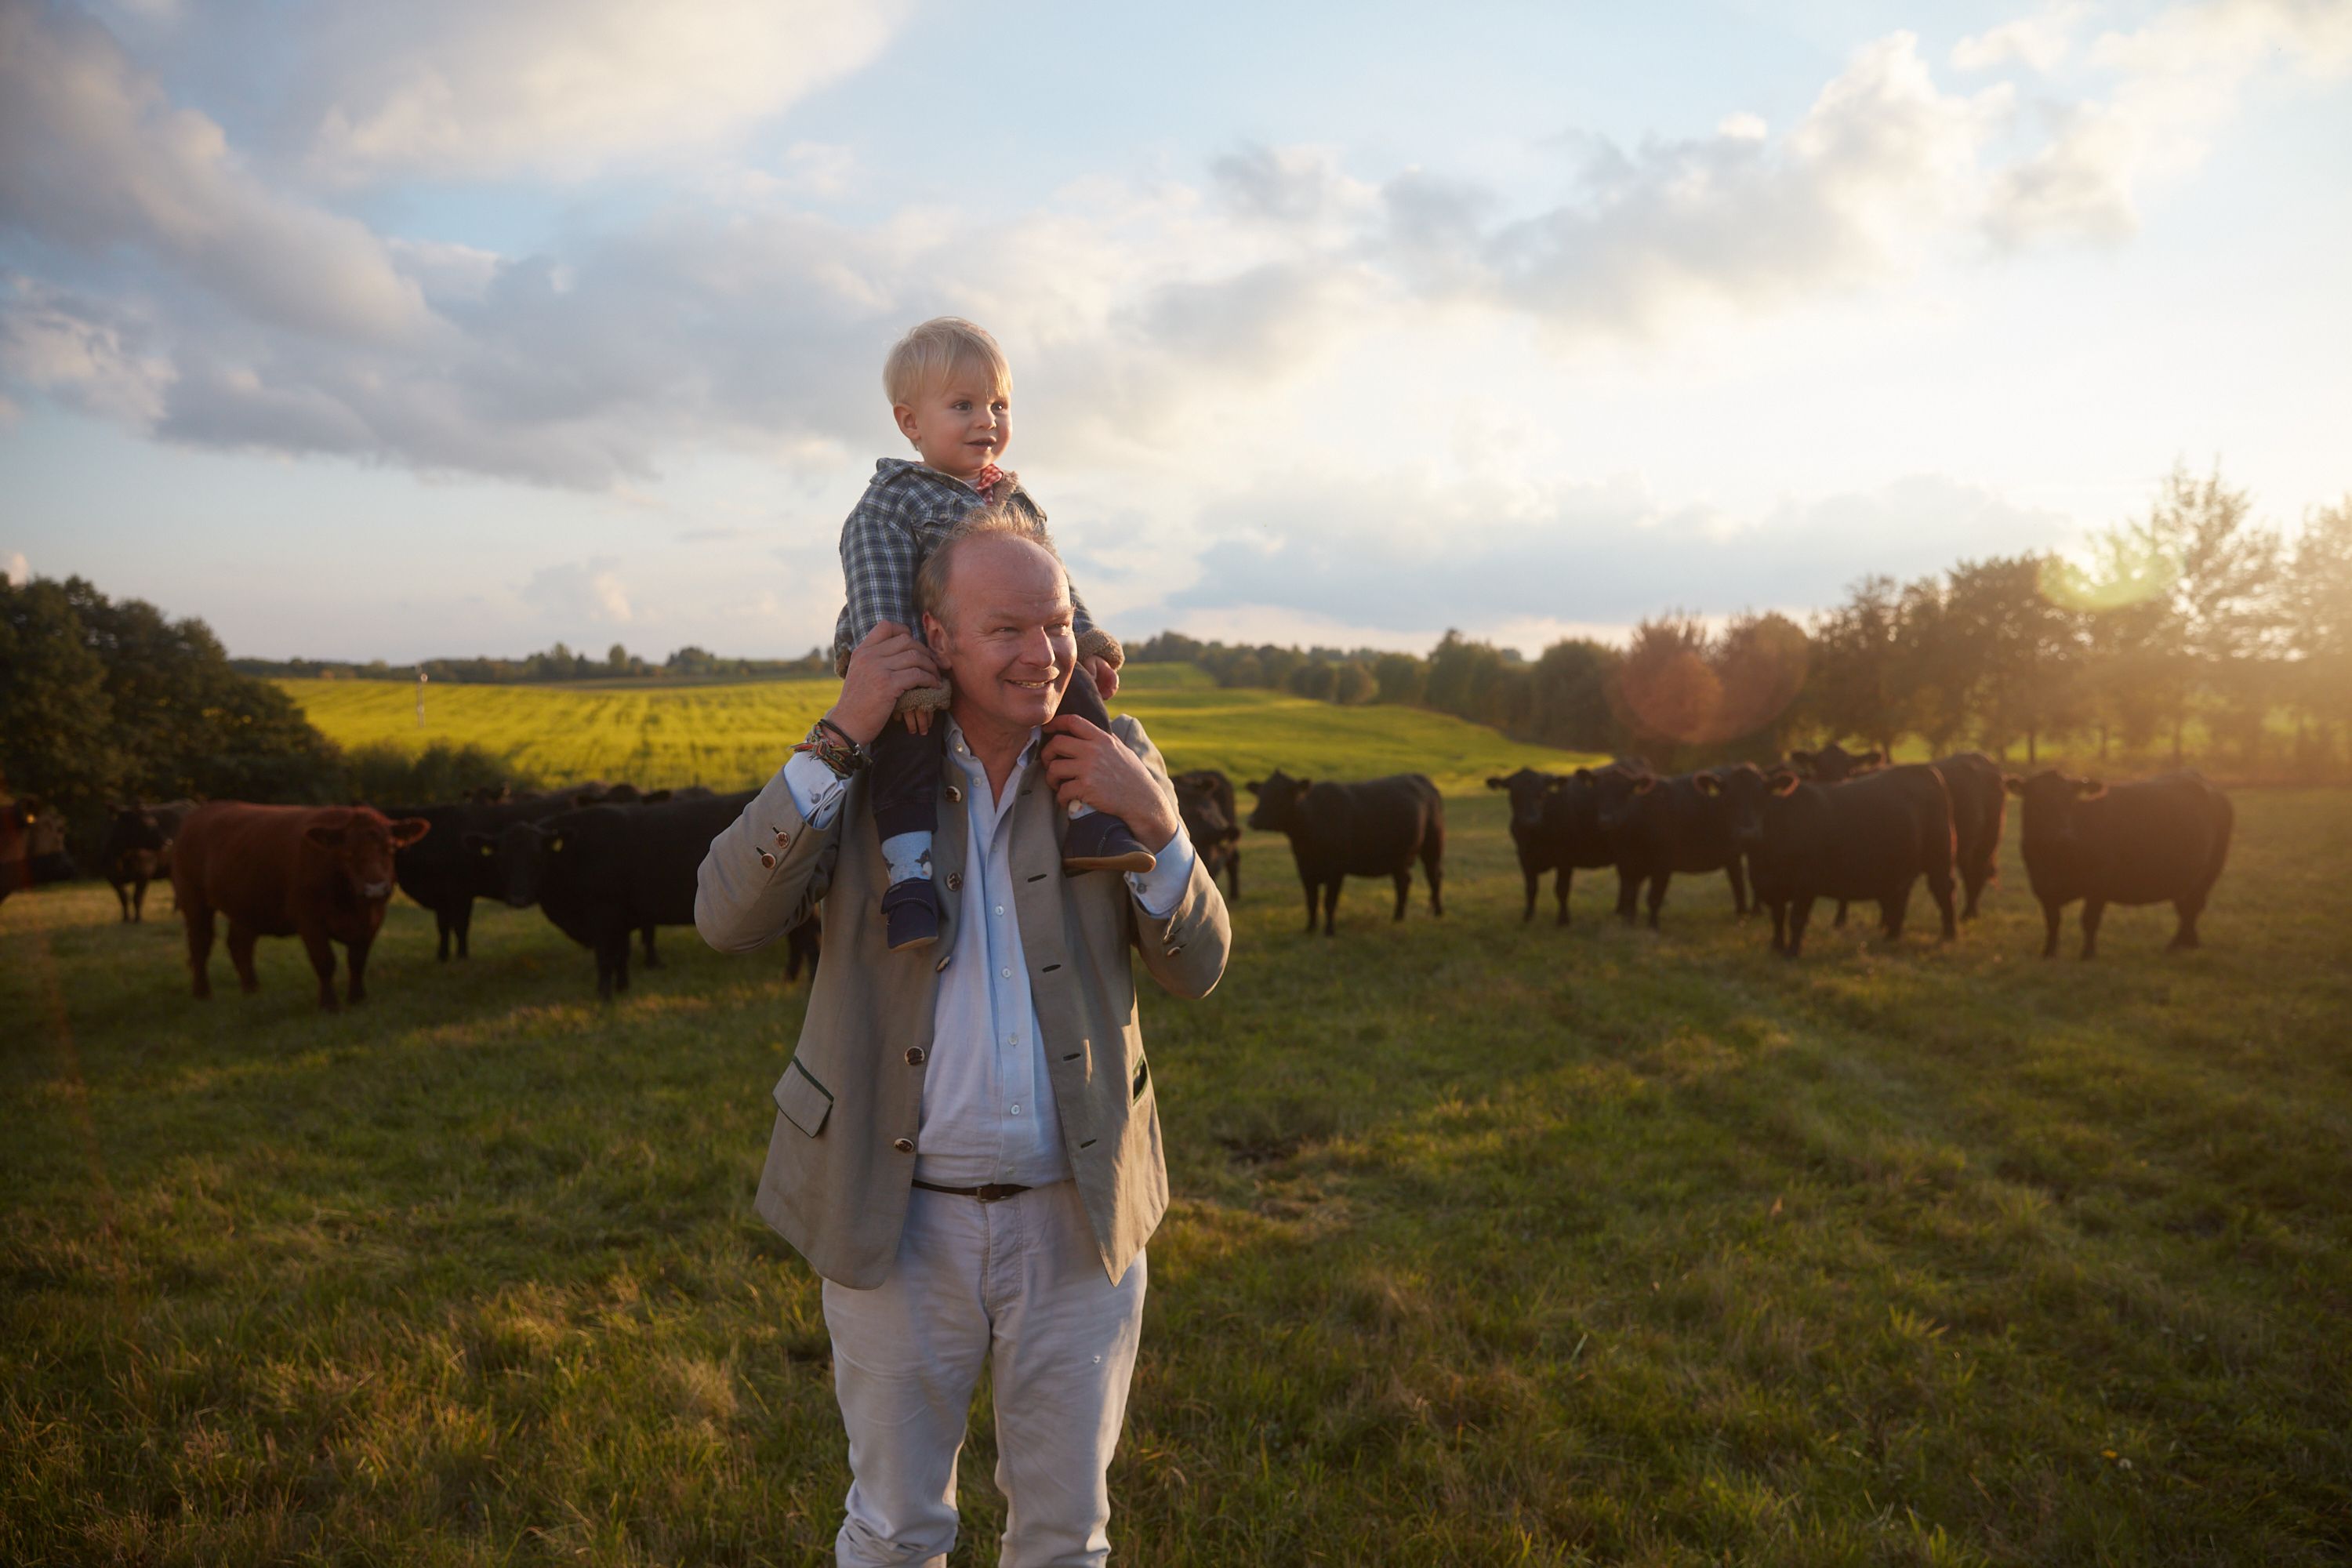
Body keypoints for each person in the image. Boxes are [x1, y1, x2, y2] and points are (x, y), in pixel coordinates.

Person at [697, 506, 1232, 1566]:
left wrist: (1159, 824)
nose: (1043, 655)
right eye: (1008, 630)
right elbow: (726, 916)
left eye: (1059, 624)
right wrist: (839, 730)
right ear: (936, 637)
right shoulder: (867, 769)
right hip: (896, 1221)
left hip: (1076, 1219)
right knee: (897, 1526)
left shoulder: (1111, 756)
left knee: (1066, 1535)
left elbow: (1200, 966)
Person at [833, 316, 1156, 954]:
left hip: (1008, 654)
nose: (988, 420)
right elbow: (879, 603)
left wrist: (1083, 641)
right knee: (906, 752)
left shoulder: (1015, 500)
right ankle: (910, 879)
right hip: (918, 663)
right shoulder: (892, 503)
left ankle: (1093, 823)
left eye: (999, 405)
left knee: (1077, 698)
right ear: (910, 423)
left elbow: (1051, 585)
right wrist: (909, 690)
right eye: (963, 406)